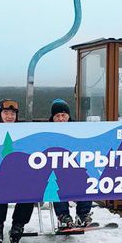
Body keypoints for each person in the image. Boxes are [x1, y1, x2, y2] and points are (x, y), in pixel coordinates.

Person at [0, 99, 34, 243]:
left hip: (19, 174)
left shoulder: (22, 132)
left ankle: (18, 226)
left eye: (13, 114)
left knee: (29, 193)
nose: (10, 116)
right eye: (6, 113)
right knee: (0, 192)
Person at [48, 98, 92, 232]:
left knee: (87, 179)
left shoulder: (78, 130)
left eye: (63, 115)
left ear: (68, 115)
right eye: (57, 116)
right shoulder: (46, 131)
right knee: (55, 182)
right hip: (54, 169)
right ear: (53, 118)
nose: (61, 119)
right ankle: (63, 216)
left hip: (74, 168)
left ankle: (83, 214)